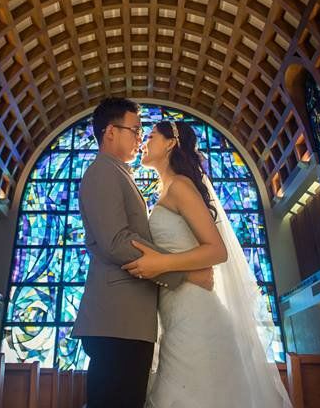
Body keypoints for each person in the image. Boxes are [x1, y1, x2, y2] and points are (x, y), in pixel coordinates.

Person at [127, 120, 292, 407]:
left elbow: (217, 250)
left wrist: (163, 263)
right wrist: (186, 272)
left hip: (197, 316)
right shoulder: (163, 192)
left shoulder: (180, 186)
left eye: (151, 136)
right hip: (174, 312)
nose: (144, 142)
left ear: (170, 143)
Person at [72, 98, 214, 408]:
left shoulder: (119, 173)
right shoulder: (102, 173)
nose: (140, 138)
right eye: (135, 130)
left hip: (128, 320)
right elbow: (117, 241)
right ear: (110, 132)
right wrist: (185, 273)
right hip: (117, 320)